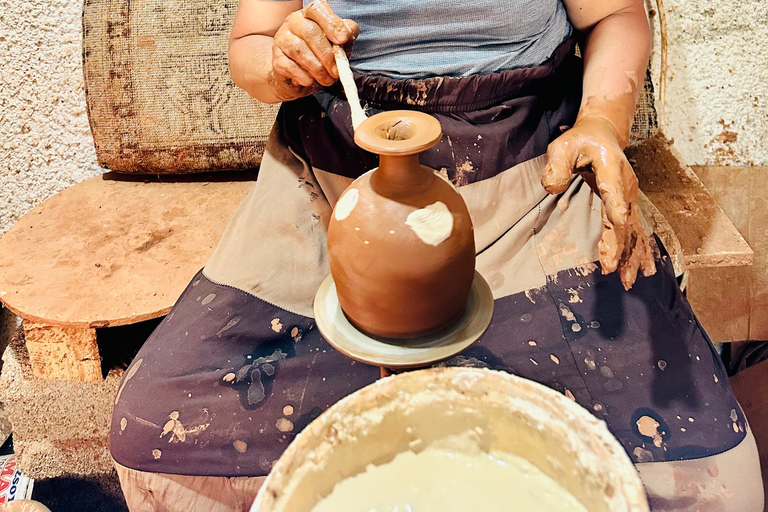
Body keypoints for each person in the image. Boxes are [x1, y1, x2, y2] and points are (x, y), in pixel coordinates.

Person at [110, 0, 765, 510]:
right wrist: (279, 61)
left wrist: (601, 123)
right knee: (154, 442)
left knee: (711, 479)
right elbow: (250, 47)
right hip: (336, 167)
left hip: (530, 163)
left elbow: (617, 15)